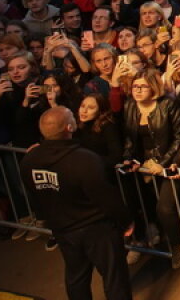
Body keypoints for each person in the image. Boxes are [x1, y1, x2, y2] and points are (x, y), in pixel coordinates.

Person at [20, 106, 133, 300]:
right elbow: (106, 197)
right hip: (97, 229)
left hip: (63, 230)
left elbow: (34, 196)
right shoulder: (84, 160)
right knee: (115, 279)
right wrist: (126, 221)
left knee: (76, 278)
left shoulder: (30, 160)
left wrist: (48, 220)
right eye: (72, 117)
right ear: (69, 127)